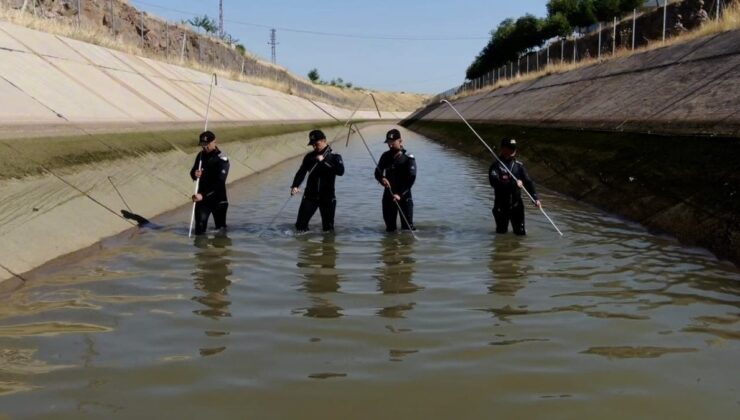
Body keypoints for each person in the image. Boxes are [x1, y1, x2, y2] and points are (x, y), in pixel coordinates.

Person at [290, 129, 345, 232]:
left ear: (324, 140)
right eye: (312, 144)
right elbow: (301, 172)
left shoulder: (334, 156)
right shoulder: (309, 157)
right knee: (300, 226)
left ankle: (328, 247)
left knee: (328, 229)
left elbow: (340, 171)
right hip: (310, 196)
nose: (314, 146)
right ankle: (306, 246)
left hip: (327, 197)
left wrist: (325, 161)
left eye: (316, 143)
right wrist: (295, 186)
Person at [488, 137, 541, 235]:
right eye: (510, 147)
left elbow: (529, 182)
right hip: (501, 206)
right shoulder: (496, 166)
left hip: (517, 206)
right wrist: (513, 184)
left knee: (520, 234)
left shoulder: (519, 166)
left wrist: (535, 198)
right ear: (503, 148)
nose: (513, 150)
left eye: (514, 148)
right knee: (501, 234)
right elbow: (495, 183)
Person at [374, 128, 416, 232]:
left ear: (400, 141)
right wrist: (382, 178)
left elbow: (412, 178)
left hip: (404, 195)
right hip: (389, 195)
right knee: (390, 229)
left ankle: (406, 247)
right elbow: (377, 172)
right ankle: (391, 248)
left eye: (393, 142)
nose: (390, 145)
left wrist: (400, 195)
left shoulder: (408, 157)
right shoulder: (385, 156)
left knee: (407, 229)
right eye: (388, 143)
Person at [190, 130, 230, 235]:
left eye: (206, 144)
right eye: (202, 145)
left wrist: (202, 195)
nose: (204, 147)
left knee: (221, 232)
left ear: (214, 142)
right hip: (202, 201)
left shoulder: (222, 158)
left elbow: (220, 182)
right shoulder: (200, 156)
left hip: (218, 199)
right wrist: (195, 174)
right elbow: (192, 172)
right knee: (199, 231)